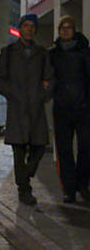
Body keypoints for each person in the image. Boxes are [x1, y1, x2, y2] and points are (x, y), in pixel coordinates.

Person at [0, 14, 54, 206]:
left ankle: (26, 175)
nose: (29, 29)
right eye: (26, 26)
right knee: (18, 151)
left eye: (32, 26)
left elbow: (51, 78)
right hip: (18, 109)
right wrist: (12, 94)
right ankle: (24, 189)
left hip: (36, 108)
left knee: (39, 146)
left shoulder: (42, 53)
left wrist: (43, 94)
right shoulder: (9, 52)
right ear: (20, 28)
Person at [48, 16, 90, 203]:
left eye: (68, 28)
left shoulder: (85, 52)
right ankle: (69, 188)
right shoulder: (53, 54)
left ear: (74, 30)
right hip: (62, 109)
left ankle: (83, 184)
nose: (65, 31)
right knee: (64, 151)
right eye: (62, 28)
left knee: (86, 148)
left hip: (83, 108)